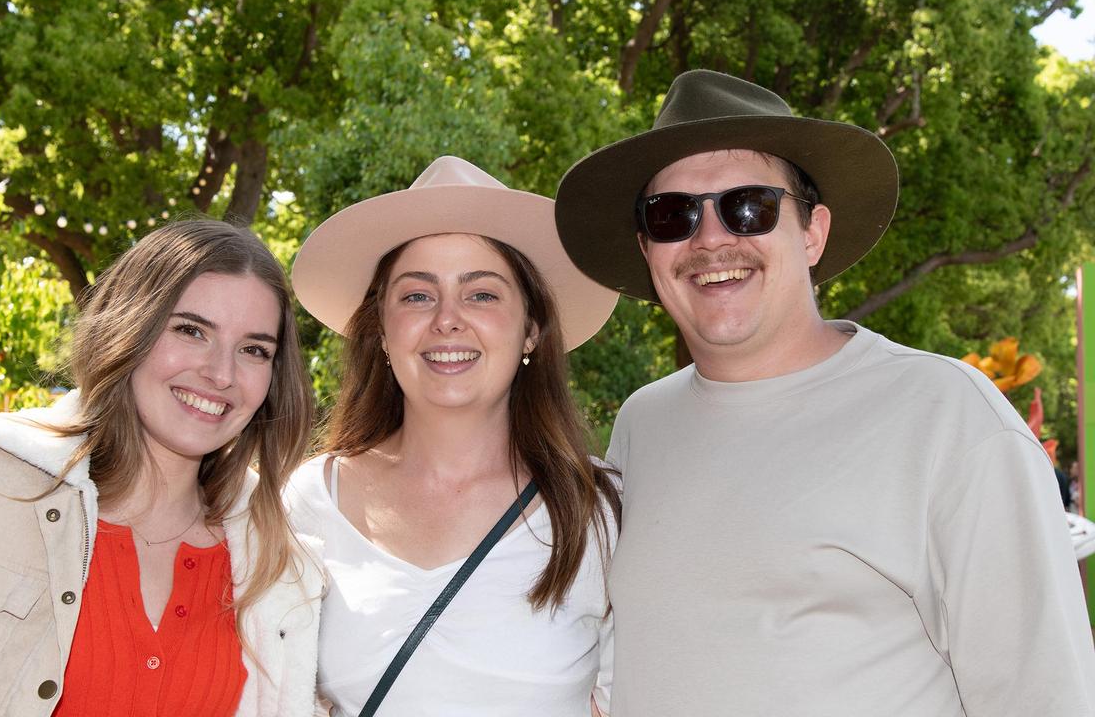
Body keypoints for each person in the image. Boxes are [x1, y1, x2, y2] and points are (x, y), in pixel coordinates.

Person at [554, 70, 1095, 715]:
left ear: (812, 232)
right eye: (673, 215)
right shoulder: (645, 422)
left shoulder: (947, 415)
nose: (709, 239)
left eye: (747, 205)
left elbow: (1044, 696)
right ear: (649, 249)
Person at [0, 220, 322, 716]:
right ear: (129, 329)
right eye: (191, 331)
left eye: (255, 350)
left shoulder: (278, 567)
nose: (221, 373)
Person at [286, 155, 621, 717]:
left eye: (482, 294)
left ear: (531, 330)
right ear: (384, 334)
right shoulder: (310, 500)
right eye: (417, 295)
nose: (447, 319)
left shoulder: (599, 507)